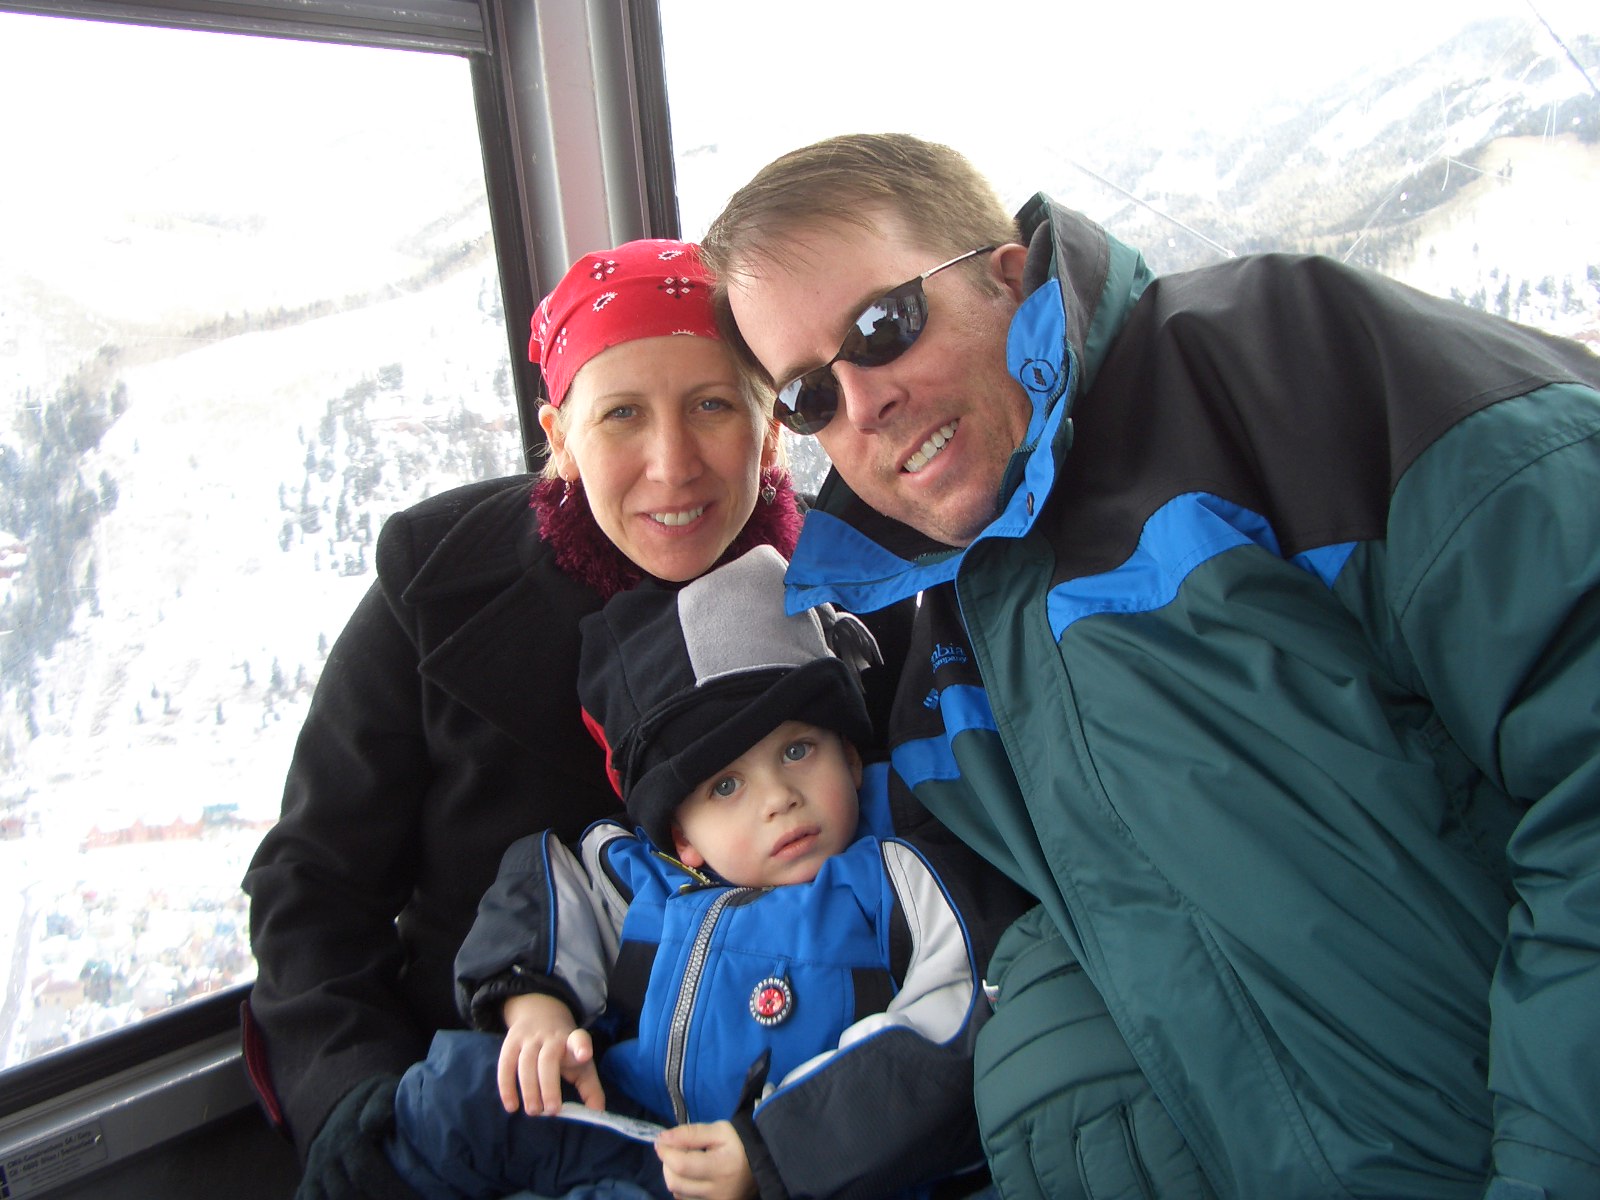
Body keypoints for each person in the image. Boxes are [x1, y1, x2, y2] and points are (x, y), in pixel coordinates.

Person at [699, 132, 1600, 1199]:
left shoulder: (1277, 370)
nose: (861, 404)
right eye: (808, 394)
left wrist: (1556, 1163)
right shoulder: (928, 658)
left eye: (882, 327)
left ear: (1006, 274)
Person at [241, 238, 910, 1199]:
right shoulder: (437, 585)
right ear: (559, 437)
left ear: (768, 429)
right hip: (494, 1114)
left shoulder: (858, 588)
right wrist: (361, 1105)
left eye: (713, 406)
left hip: (802, 1117)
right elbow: (315, 884)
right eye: (622, 414)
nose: (672, 465)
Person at [381, 544, 991, 1200]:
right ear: (683, 837)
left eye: (797, 750)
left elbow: (950, 1024)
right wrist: (536, 1006)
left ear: (849, 757)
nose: (777, 799)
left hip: (801, 1165)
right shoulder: (646, 880)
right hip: (640, 1140)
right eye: (725, 786)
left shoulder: (898, 873)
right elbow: (544, 887)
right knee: (454, 1095)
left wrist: (773, 1151)